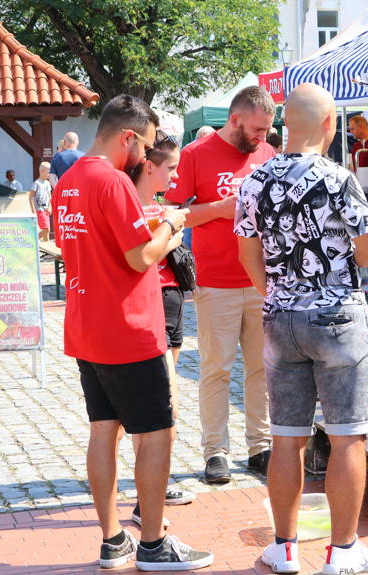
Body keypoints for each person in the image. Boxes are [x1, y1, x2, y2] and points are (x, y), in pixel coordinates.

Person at [52, 94, 212, 570]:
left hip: (87, 326)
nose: (145, 156)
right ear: (127, 138)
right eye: (143, 146)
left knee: (103, 433)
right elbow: (139, 256)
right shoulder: (112, 181)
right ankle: (154, 543)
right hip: (128, 329)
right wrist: (171, 230)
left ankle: (112, 539)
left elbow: (73, 243)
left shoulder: (70, 180)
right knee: (156, 434)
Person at [235, 81, 368, 575]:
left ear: (285, 125)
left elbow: (247, 253)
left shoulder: (254, 181)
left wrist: (276, 292)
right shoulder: (339, 178)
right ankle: (343, 552)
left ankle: (284, 549)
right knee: (347, 437)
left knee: (285, 436)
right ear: (330, 124)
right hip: (338, 316)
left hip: (281, 317)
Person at [165, 86, 275, 484]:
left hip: (261, 281)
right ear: (235, 120)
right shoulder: (197, 155)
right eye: (258, 129)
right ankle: (216, 451)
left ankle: (259, 447)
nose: (264, 138)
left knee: (262, 368)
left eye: (268, 131)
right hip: (215, 282)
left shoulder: (266, 155)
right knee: (217, 368)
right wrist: (218, 209)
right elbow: (171, 215)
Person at [129, 130, 195, 524]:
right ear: (149, 166)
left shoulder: (156, 204)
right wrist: (169, 237)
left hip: (171, 300)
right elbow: (140, 257)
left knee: (165, 404)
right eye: (170, 168)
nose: (175, 176)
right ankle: (145, 497)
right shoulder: (132, 205)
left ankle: (155, 481)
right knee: (157, 406)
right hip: (148, 304)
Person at [28, 162, 52, 243]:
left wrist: (50, 207)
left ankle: (33, 241)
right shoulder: (36, 183)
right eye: (48, 172)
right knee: (46, 229)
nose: (50, 174)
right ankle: (45, 244)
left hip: (46, 209)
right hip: (39, 209)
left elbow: (50, 197)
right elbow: (31, 197)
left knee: (47, 229)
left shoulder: (48, 183)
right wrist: (33, 210)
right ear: (42, 171)